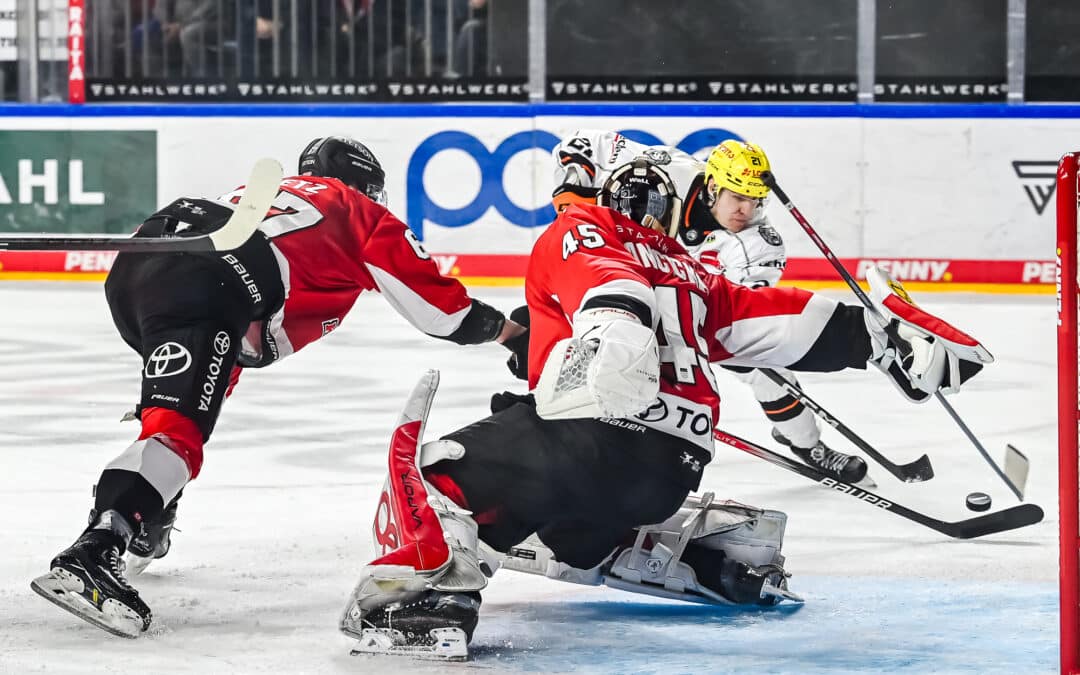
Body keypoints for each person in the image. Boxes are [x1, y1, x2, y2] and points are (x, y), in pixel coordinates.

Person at [339, 156, 991, 659]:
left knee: (437, 474)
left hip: (596, 429)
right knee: (564, 492)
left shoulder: (582, 229)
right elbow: (776, 326)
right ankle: (660, 550)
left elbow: (613, 294)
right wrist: (878, 336)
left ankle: (423, 600)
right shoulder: (689, 268)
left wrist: (610, 349)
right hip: (671, 468)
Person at [30, 135, 526, 639]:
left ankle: (141, 513)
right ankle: (95, 550)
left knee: (177, 418)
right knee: (178, 434)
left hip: (143, 270)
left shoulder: (263, 196)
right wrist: (512, 335)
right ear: (365, 186)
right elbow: (443, 312)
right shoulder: (359, 212)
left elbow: (244, 343)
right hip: (214, 281)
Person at [551, 130, 868, 484]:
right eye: (737, 197)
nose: (746, 210)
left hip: (697, 316)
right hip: (626, 282)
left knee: (767, 372)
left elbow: (739, 315)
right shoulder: (670, 168)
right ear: (713, 185)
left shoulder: (759, 244)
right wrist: (572, 189)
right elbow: (585, 142)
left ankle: (807, 443)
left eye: (756, 200)